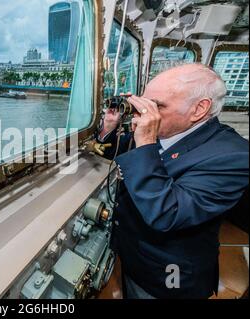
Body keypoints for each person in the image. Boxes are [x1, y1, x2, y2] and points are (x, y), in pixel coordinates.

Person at [98, 63, 249, 299]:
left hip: (169, 274)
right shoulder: (166, 129)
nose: (146, 114)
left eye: (156, 106)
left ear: (199, 109)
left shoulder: (233, 156)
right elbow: (118, 150)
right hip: (133, 255)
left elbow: (168, 212)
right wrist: (109, 127)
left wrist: (146, 140)